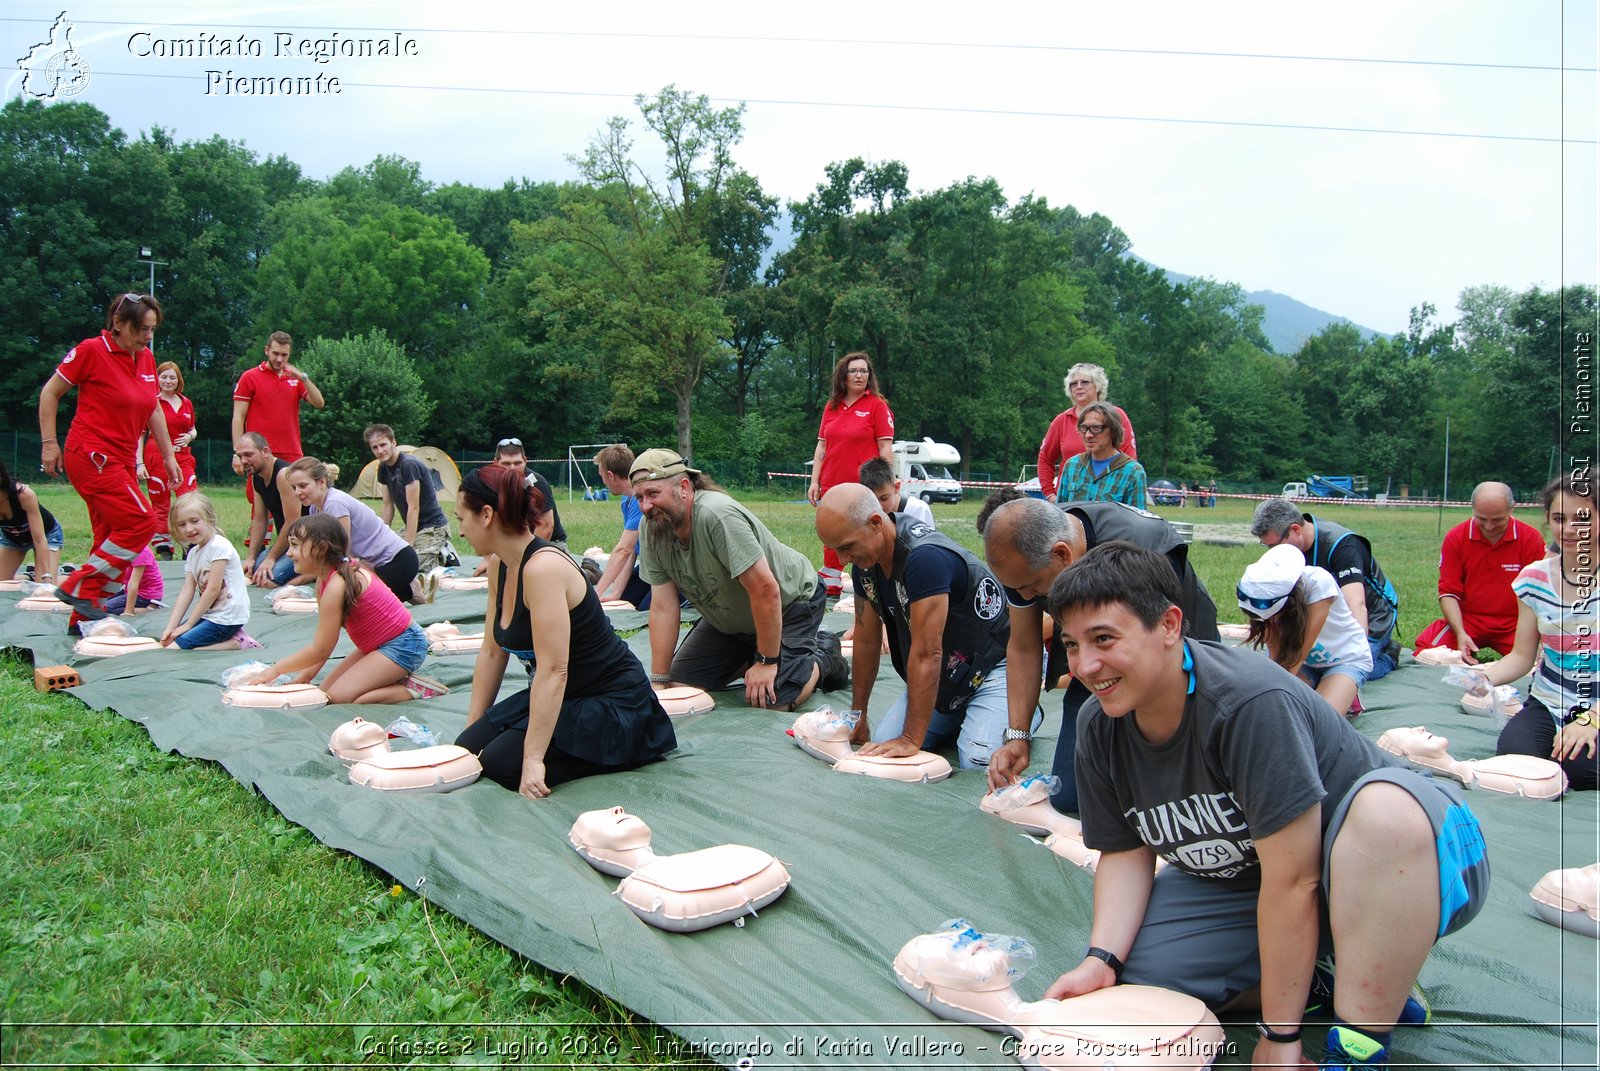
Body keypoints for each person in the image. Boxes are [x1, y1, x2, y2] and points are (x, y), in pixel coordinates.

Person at [1042, 542, 1488, 1071]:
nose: (1086, 665)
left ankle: (1362, 1037)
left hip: (1416, 859)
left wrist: (1280, 1034)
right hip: (1256, 874)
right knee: (1145, 977)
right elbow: (1125, 852)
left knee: (1382, 811)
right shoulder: (1100, 723)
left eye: (1104, 639)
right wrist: (1102, 959)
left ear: (1168, 625)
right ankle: (1330, 975)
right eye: (1071, 645)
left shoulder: (1247, 704)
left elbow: (1295, 881)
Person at [981, 496, 1220, 813]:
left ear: (1063, 555)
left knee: (1169, 793)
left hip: (1173, 658)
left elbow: (1157, 652)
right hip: (1103, 656)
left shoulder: (1141, 547)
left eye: (1031, 587)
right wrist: (1018, 736)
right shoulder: (1026, 555)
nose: (1026, 597)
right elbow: (1024, 645)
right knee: (1071, 797)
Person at [453, 465, 676, 797]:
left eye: (461, 519)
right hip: (566, 695)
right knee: (466, 749)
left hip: (611, 702)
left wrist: (533, 759)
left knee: (502, 766)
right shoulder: (499, 565)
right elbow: (491, 652)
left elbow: (554, 670)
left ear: (486, 514)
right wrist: (472, 728)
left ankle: (622, 749)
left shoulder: (544, 568)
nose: (460, 531)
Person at [816, 484, 1021, 769]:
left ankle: (1021, 712)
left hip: (995, 668)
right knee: (885, 743)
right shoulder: (865, 565)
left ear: (876, 523)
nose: (842, 559)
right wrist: (858, 716)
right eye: (836, 550)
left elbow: (928, 653)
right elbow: (866, 642)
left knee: (977, 759)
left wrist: (911, 738)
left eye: (847, 547)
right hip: (950, 678)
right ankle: (962, 716)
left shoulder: (924, 559)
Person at [633, 449, 846, 710]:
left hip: (790, 603)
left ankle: (823, 655)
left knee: (772, 700)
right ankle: (755, 656)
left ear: (684, 487)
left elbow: (766, 590)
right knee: (680, 690)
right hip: (731, 622)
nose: (645, 506)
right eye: (639, 497)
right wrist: (659, 681)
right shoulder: (652, 527)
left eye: (653, 494)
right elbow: (663, 607)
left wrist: (767, 662)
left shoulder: (717, 516)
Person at [38, 292, 181, 633]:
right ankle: (79, 588)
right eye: (142, 329)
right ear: (118, 323)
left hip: (121, 461)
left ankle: (83, 618)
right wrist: (48, 444)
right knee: (142, 522)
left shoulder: (145, 358)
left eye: (152, 330)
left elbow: (153, 409)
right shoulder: (91, 351)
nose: (148, 337)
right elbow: (49, 393)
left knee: (108, 539)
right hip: (91, 456)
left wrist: (168, 455)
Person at [1470, 476, 1597, 791]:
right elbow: (1522, 656)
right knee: (1516, 758)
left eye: (1581, 519)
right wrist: (1483, 678)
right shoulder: (1533, 579)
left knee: (1578, 767)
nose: (1568, 529)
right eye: (1558, 518)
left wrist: (1592, 719)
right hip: (1549, 700)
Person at [244, 514, 435, 704]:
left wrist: (276, 669)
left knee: (339, 698)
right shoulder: (323, 581)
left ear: (321, 548)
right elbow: (325, 643)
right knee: (324, 693)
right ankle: (388, 677)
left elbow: (320, 649)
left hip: (405, 645)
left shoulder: (338, 584)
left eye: (294, 545)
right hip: (378, 645)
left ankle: (411, 689)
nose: (288, 553)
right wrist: (306, 676)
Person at [1251, 498, 1402, 682]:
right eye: (1267, 546)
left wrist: (1357, 653)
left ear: (1295, 529)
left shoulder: (1343, 546)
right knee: (1286, 661)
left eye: (1274, 545)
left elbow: (1356, 603)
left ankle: (1388, 657)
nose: (1272, 551)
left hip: (1371, 617)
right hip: (1323, 615)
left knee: (1355, 667)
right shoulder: (1288, 549)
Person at [1413, 482, 1546, 663]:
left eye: (1498, 520)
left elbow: (1540, 596)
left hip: (1516, 623)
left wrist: (1535, 635)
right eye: (1481, 519)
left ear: (1512, 509)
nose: (1489, 526)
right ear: (1472, 508)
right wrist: (1460, 633)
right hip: (1468, 621)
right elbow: (1448, 592)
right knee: (1425, 653)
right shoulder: (1456, 538)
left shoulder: (1530, 539)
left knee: (1547, 661)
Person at [1239, 543, 1372, 717]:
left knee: (1321, 720)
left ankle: (1344, 690)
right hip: (1305, 664)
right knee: (1279, 708)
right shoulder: (1259, 592)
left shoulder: (1318, 583)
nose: (1270, 619)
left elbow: (1299, 653)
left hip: (1344, 659)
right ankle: (1326, 690)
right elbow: (1276, 661)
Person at [808, 351, 895, 597]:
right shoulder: (831, 407)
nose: (859, 375)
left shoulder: (877, 406)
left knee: (863, 530)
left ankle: (872, 576)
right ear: (843, 376)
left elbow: (885, 447)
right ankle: (832, 576)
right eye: (854, 371)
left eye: (864, 371)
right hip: (831, 481)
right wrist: (815, 480)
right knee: (831, 526)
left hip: (861, 485)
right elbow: (821, 447)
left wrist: (885, 481)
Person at [284, 457, 422, 603]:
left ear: (322, 482)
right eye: (293, 488)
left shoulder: (334, 503)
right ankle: (408, 590)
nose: (297, 492)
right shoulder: (315, 508)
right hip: (377, 564)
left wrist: (312, 583)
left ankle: (411, 590)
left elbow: (342, 551)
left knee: (352, 599)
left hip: (397, 561)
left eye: (303, 486)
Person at [158, 493, 254, 651]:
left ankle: (237, 643)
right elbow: (186, 592)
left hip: (227, 618)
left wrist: (188, 624)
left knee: (176, 649)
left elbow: (213, 590)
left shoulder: (219, 546)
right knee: (169, 642)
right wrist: (171, 627)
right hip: (211, 615)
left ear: (210, 519)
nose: (189, 529)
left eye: (194, 521)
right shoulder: (194, 553)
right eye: (181, 524)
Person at [364, 424, 458, 580]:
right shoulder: (382, 468)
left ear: (393, 443)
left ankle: (443, 555)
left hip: (433, 526)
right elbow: (387, 505)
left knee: (411, 568)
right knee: (385, 560)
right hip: (412, 526)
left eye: (383, 445)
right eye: (375, 447)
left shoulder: (408, 465)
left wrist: (409, 545)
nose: (379, 451)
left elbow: (413, 508)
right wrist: (383, 536)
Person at [1036, 362, 1138, 500]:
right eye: (1073, 383)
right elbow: (1045, 458)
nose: (1078, 387)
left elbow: (1129, 459)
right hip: (1068, 502)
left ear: (1098, 386)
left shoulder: (1117, 416)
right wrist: (1050, 494)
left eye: (1084, 382)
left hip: (1109, 500)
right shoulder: (1062, 420)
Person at [231, 331, 324, 464]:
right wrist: (237, 452)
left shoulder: (295, 378)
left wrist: (303, 378)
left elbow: (319, 403)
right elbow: (238, 417)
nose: (279, 359)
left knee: (293, 485)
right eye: (275, 353)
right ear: (267, 350)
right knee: (259, 486)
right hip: (260, 452)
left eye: (284, 355)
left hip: (291, 451)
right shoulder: (250, 377)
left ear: (289, 353)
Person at [136, 361, 198, 559]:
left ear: (178, 380)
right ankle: (164, 547)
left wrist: (190, 436)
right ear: (157, 379)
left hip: (183, 456)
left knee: (188, 500)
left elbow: (192, 429)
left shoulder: (185, 402)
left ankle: (189, 543)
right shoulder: (150, 401)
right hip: (157, 456)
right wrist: (139, 463)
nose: (168, 381)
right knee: (160, 503)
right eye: (164, 377)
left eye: (172, 377)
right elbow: (140, 435)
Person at [235, 433, 302, 587]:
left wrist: (271, 558)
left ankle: (312, 572)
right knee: (254, 571)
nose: (244, 461)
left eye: (248, 455)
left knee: (267, 579)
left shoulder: (284, 474)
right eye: (240, 456)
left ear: (265, 451)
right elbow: (260, 519)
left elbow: (294, 522)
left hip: (307, 543)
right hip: (290, 543)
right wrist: (251, 557)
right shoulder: (256, 477)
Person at [590, 444, 653, 608]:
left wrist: (596, 595)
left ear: (610, 475)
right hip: (651, 565)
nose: (603, 481)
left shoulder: (641, 499)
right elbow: (630, 550)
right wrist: (615, 593)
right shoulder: (627, 499)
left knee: (647, 608)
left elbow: (623, 549)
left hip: (671, 569)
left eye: (602, 476)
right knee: (625, 600)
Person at [1056, 401, 1148, 508]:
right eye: (1084, 428)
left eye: (1096, 428)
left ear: (1113, 431)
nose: (1088, 435)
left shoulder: (1132, 472)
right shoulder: (1072, 465)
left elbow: (1137, 522)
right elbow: (1061, 514)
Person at [0, 456, 63, 585]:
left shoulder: (23, 494)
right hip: (12, 539)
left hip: (47, 536)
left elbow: (39, 539)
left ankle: (67, 576)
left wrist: (46, 577)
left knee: (44, 587)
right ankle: (30, 576)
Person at [858, 457, 935, 528]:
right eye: (873, 501)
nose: (879, 506)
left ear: (896, 487)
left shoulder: (918, 509)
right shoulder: (866, 514)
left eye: (884, 498)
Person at [105, 543, 163, 615]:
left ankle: (149, 609)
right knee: (98, 603)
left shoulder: (141, 552)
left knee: (105, 608)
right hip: (130, 590)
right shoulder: (122, 549)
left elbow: (133, 585)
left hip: (146, 595)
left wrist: (128, 611)